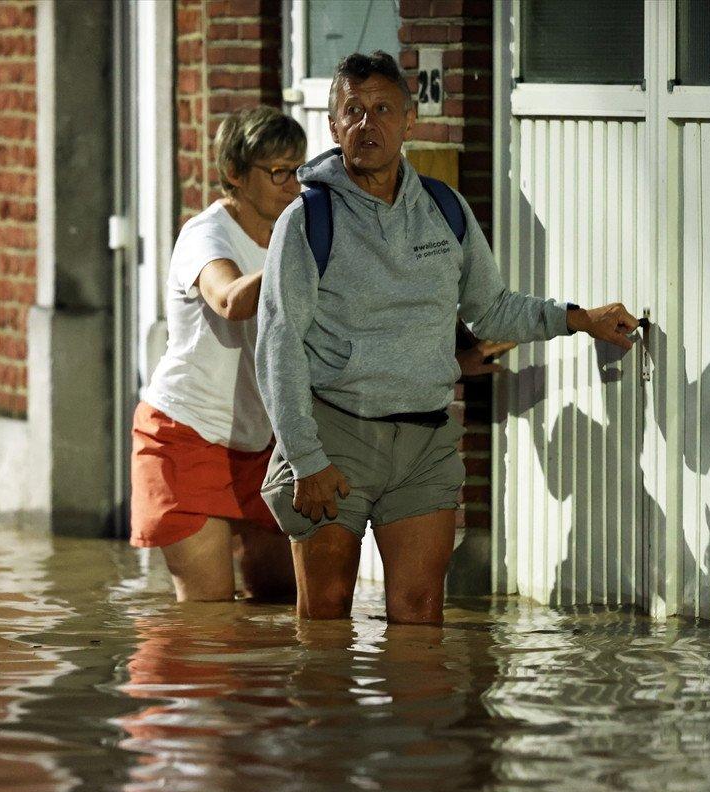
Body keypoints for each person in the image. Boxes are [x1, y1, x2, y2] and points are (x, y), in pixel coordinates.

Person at [256, 51, 641, 625]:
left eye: (383, 109)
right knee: (326, 617)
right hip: (334, 436)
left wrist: (578, 319)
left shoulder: (444, 208)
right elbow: (278, 345)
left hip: (425, 443)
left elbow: (491, 311)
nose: (367, 124)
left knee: (421, 618)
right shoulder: (306, 219)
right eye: (353, 111)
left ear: (409, 121)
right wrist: (306, 458)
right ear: (333, 126)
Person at [130, 106, 306, 603]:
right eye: (278, 172)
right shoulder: (206, 234)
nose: (293, 185)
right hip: (185, 435)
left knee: (282, 604)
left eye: (298, 170)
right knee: (208, 623)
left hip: (260, 446)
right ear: (235, 173)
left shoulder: (292, 231)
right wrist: (298, 263)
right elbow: (229, 300)